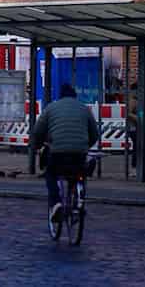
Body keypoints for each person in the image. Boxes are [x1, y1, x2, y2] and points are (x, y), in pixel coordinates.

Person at [32, 82, 100, 216]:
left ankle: (56, 202)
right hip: (79, 152)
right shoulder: (84, 109)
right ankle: (79, 200)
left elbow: (38, 131)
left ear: (60, 96)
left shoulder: (51, 108)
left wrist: (38, 145)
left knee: (51, 174)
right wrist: (86, 146)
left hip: (58, 152)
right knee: (80, 172)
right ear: (75, 96)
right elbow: (94, 134)